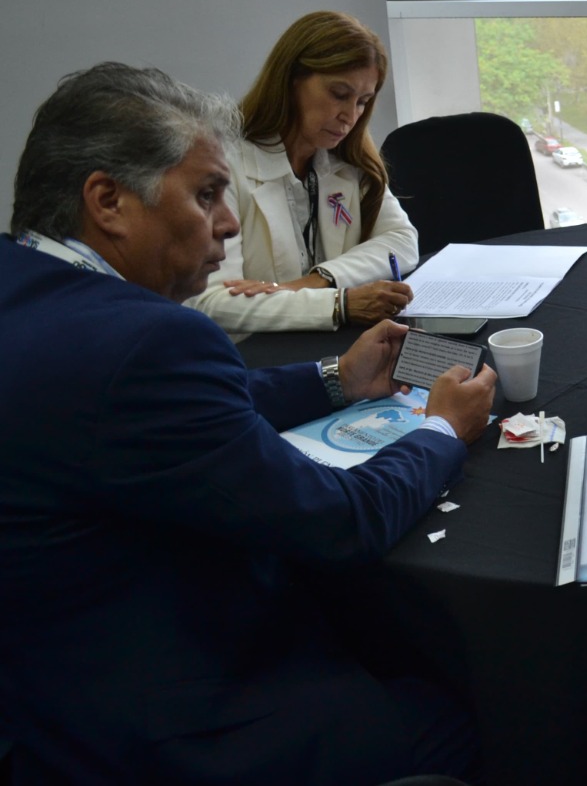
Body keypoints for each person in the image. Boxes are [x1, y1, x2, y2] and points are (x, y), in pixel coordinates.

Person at [1, 64, 498, 784]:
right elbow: (341, 521)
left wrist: (335, 379)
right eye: (206, 195)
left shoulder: (36, 296)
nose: (228, 222)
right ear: (107, 200)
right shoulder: (146, 344)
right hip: (169, 731)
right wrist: (442, 430)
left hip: (44, 697)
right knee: (460, 710)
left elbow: (168, 418)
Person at [186, 10, 417, 334]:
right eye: (339, 94)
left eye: (363, 101)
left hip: (327, 346)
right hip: (254, 357)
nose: (349, 116)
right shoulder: (223, 165)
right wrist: (339, 304)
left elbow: (403, 240)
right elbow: (211, 302)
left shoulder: (348, 161)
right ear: (290, 80)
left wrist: (320, 279)